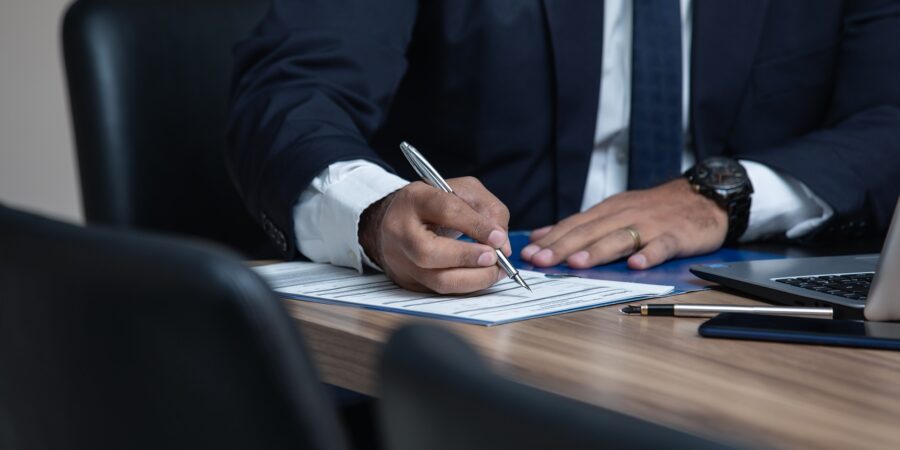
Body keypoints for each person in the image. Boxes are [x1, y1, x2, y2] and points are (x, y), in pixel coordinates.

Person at [227, 0, 900, 295]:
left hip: (741, 330)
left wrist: (727, 192)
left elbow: (889, 118)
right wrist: (374, 214)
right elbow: (293, 89)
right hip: (484, 328)